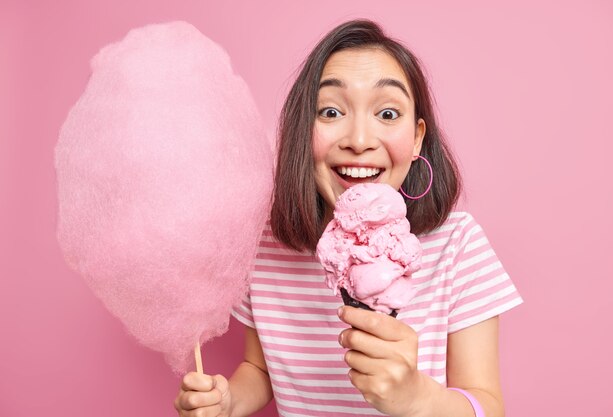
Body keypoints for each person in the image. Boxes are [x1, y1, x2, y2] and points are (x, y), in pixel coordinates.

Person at [174, 19, 522, 417]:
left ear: (417, 139)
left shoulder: (458, 245)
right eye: (331, 111)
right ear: (303, 132)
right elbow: (260, 368)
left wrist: (419, 399)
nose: (358, 140)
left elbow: (487, 406)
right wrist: (227, 401)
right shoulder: (263, 247)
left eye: (388, 113)